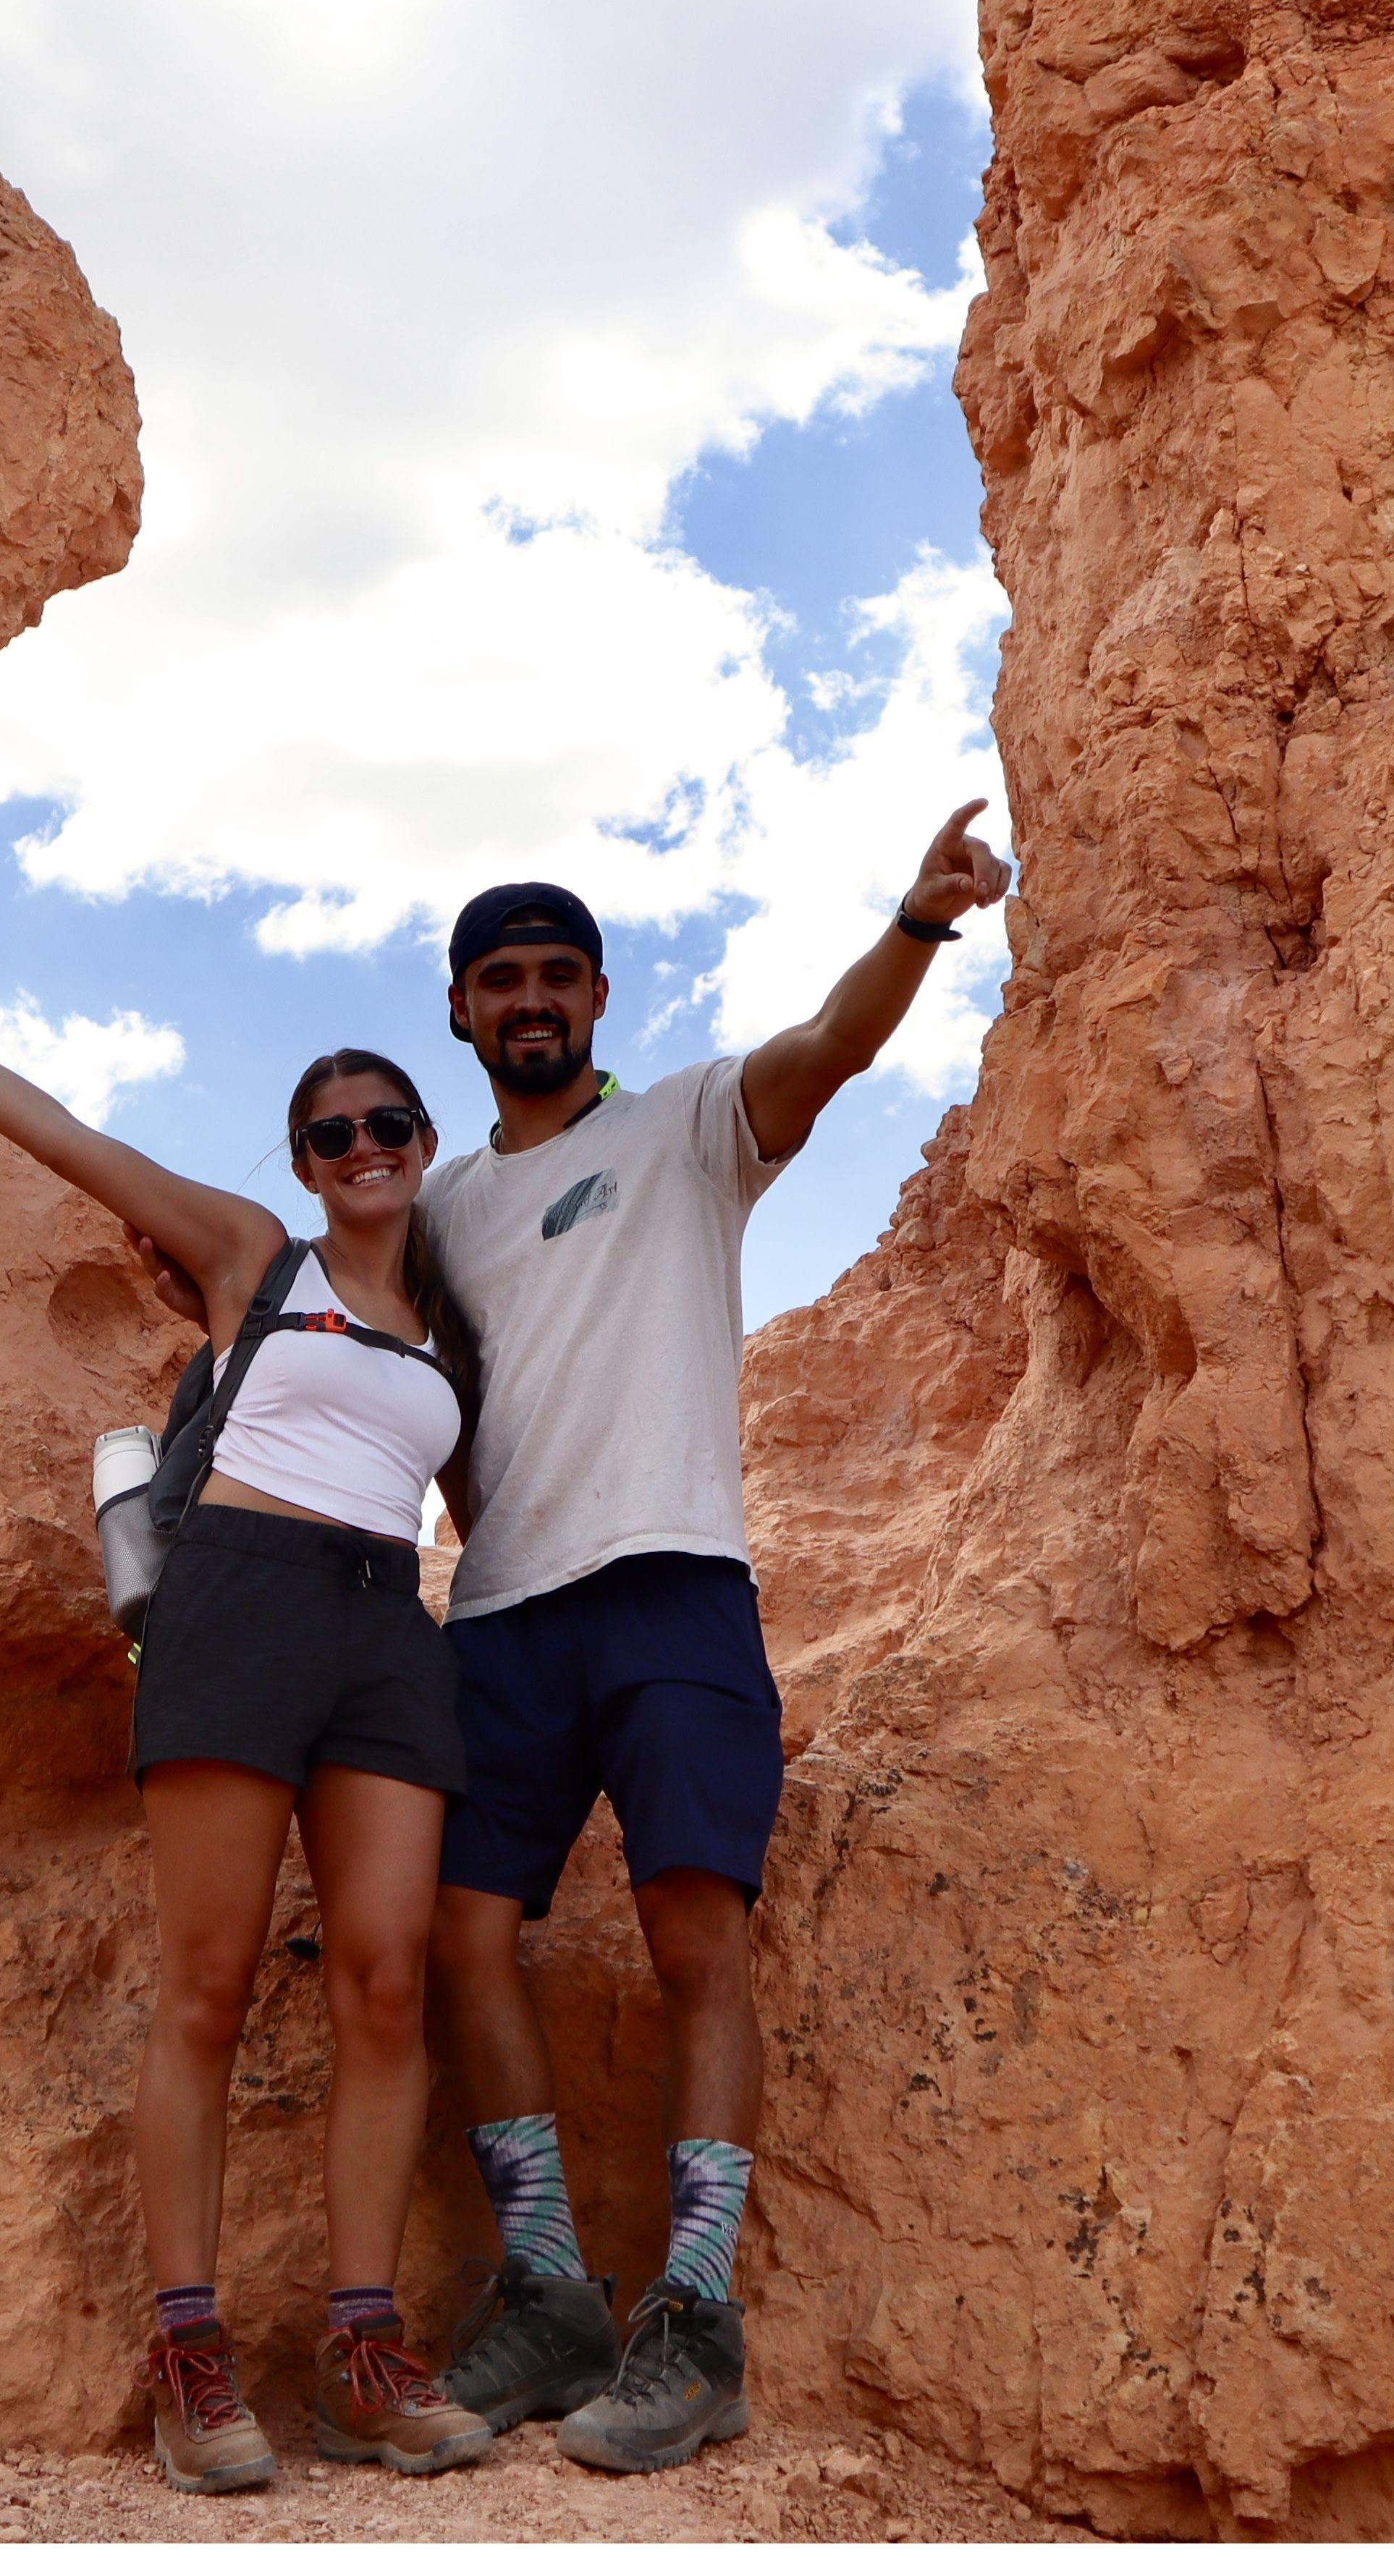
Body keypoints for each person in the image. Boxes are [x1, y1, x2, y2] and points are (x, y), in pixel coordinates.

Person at [0, 894, 501, 2496]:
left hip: (391, 1627)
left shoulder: (452, 1328)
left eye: (386, 1123)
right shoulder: (256, 1259)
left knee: (386, 1981)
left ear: (424, 1137)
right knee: (208, 1986)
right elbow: (71, 1138)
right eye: (331, 1133)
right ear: (303, 1160)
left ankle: (365, 2361)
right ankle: (190, 2355)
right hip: (242, 1605)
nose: (362, 1146)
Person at [418, 802, 1013, 2472]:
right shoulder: (449, 1205)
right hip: (507, 1614)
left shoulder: (684, 1126)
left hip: (675, 1578)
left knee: (699, 1943)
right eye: (499, 980)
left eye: (556, 975)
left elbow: (826, 1049)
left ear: (599, 996)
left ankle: (695, 2313)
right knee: (464, 1937)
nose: (530, 1000)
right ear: (459, 1009)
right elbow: (449, 1400)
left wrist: (916, 924)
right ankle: (547, 2289)